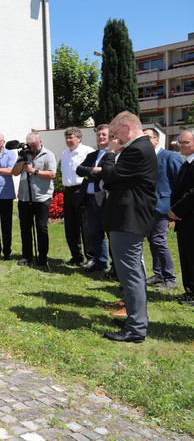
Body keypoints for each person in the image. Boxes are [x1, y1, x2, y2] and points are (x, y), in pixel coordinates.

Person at [96, 112, 157, 343]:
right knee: (132, 273)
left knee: (130, 275)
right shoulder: (140, 147)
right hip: (127, 217)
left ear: (127, 127)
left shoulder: (137, 148)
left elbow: (110, 176)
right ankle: (135, 319)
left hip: (128, 219)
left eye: (116, 133)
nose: (115, 138)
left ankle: (136, 328)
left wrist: (110, 153)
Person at [143, 128, 182, 290]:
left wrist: (176, 207)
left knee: (158, 240)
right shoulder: (144, 158)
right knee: (152, 240)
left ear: (157, 139)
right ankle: (158, 274)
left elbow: (180, 182)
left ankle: (170, 278)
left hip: (164, 207)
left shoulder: (170, 156)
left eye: (148, 138)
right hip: (147, 207)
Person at [10, 132, 56, 266]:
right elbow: (15, 172)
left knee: (41, 228)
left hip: (42, 197)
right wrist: (22, 160)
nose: (32, 148)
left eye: (34, 145)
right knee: (25, 228)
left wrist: (34, 171)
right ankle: (27, 256)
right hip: (25, 197)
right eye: (30, 146)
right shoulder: (24, 154)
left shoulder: (49, 155)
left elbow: (52, 174)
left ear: (40, 142)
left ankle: (42, 257)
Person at [76, 125, 111, 273]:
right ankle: (100, 262)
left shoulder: (112, 154)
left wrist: (90, 173)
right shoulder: (92, 155)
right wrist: (94, 170)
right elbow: (79, 170)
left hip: (104, 200)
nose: (101, 137)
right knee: (94, 232)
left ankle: (115, 267)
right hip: (89, 199)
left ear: (111, 137)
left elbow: (107, 174)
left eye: (104, 134)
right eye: (99, 135)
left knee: (110, 233)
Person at [61, 127, 95, 266]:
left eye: (71, 137)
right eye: (67, 138)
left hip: (82, 190)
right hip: (68, 191)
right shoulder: (64, 153)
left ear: (79, 138)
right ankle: (76, 256)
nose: (69, 140)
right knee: (70, 225)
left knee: (85, 225)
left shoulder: (88, 151)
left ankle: (91, 257)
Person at [169, 130, 194, 307]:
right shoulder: (187, 163)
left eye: (185, 142)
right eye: (180, 142)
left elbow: (192, 193)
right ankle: (190, 292)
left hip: (190, 218)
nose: (180, 145)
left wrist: (176, 210)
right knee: (186, 256)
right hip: (185, 220)